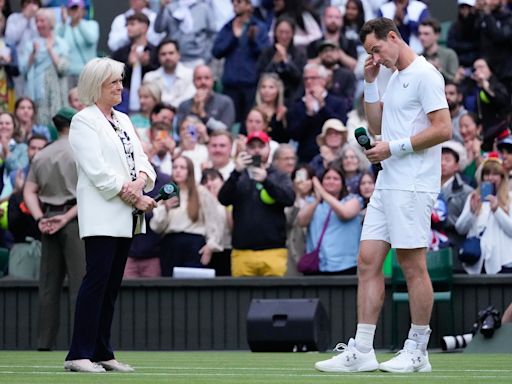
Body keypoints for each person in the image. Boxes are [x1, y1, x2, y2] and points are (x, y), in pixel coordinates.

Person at [315, 17, 451, 373]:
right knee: (367, 261)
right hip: (388, 182)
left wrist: (396, 147)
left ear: (393, 37)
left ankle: (418, 351)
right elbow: (377, 127)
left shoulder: (426, 75)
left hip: (413, 184)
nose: (375, 56)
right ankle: (362, 350)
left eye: (377, 48)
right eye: (369, 52)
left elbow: (443, 129)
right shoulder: (388, 74)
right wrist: (370, 82)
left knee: (411, 265)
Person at [63, 57, 158, 373]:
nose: (121, 86)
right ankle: (79, 353)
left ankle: (102, 351)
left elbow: (143, 160)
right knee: (96, 282)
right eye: (114, 82)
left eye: (120, 80)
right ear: (96, 86)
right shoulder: (83, 120)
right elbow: (97, 172)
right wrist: (136, 195)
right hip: (104, 214)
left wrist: (141, 182)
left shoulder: (125, 120)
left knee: (111, 285)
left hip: (127, 214)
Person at [23, 107, 85, 351]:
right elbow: (89, 193)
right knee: (80, 284)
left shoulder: (42, 154)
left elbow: (29, 190)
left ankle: (44, 342)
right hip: (74, 219)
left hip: (48, 219)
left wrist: (40, 218)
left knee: (49, 285)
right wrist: (66, 217)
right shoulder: (81, 153)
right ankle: (81, 342)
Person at [218, 130, 295, 277]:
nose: (257, 150)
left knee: (276, 298)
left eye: (261, 146)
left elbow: (289, 199)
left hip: (273, 250)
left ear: (269, 148)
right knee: (242, 299)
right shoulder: (239, 175)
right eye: (252, 146)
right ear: (246, 149)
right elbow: (223, 199)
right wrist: (235, 172)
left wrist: (266, 181)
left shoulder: (278, 175)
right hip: (242, 251)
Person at [150, 156, 223, 277]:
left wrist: (211, 246)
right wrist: (166, 208)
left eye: (182, 167)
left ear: (190, 171)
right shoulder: (166, 194)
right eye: (175, 167)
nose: (178, 170)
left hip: (194, 244)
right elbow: (157, 226)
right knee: (171, 289)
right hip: (171, 245)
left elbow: (214, 221)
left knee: (194, 288)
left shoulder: (201, 192)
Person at [298, 164, 363, 274]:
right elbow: (301, 221)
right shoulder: (313, 201)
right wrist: (317, 200)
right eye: (327, 178)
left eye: (336, 179)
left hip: (345, 265)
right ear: (322, 182)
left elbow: (345, 213)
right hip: (317, 265)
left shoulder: (353, 200)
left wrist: (322, 192)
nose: (331, 181)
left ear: (342, 183)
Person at [212, 0, 269, 124]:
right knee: (228, 122)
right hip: (230, 85)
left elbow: (265, 54)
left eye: (239, 2)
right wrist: (233, 37)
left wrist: (253, 41)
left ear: (249, 5)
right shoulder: (227, 27)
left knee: (249, 121)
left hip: (250, 85)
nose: (235, 5)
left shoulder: (259, 27)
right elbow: (216, 51)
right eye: (233, 2)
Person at [455, 155, 512, 274]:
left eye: (495, 174)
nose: (490, 178)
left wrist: (497, 210)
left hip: (503, 262)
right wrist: (471, 212)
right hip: (477, 260)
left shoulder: (510, 198)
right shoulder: (474, 197)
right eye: (487, 174)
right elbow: (460, 229)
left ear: (502, 177)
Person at [288, 63, 348, 163]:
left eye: (313, 78)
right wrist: (308, 114)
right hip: (306, 158)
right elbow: (294, 135)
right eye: (306, 78)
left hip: (335, 157)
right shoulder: (298, 105)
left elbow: (341, 125)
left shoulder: (338, 102)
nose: (309, 81)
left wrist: (322, 106)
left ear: (323, 80)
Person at [18, 8, 69, 126]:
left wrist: (50, 49)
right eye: (37, 21)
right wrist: (33, 55)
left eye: (42, 21)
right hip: (37, 94)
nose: (38, 24)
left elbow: (64, 69)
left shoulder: (60, 43)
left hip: (56, 95)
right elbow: (24, 70)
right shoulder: (30, 44)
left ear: (51, 22)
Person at [111, 12, 159, 114]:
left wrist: (147, 65)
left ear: (144, 27)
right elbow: (114, 78)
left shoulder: (156, 52)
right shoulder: (120, 53)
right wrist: (129, 64)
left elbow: (159, 77)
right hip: (123, 105)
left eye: (132, 24)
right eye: (127, 25)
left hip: (150, 109)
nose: (128, 28)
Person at [256, 16, 307, 103]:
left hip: (292, 98)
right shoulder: (266, 53)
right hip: (269, 99)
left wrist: (286, 61)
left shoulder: (300, 54)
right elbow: (261, 77)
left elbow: (299, 77)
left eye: (287, 32)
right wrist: (274, 62)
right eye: (281, 32)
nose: (284, 36)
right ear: (275, 33)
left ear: (292, 34)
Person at [154, 0, 216, 67]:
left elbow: (213, 34)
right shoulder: (170, 8)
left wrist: (206, 56)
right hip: (174, 61)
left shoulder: (204, 8)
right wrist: (162, 9)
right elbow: (158, 29)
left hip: (197, 60)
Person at [176, 64, 235, 133]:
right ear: (193, 82)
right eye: (199, 78)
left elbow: (225, 130)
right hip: (191, 142)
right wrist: (194, 110)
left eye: (207, 78)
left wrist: (203, 115)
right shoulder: (184, 105)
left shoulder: (226, 102)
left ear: (213, 81)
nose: (203, 82)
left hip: (216, 142)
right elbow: (179, 130)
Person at [56, 0, 99, 88]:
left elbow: (91, 39)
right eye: (72, 8)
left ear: (83, 10)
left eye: (77, 8)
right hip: (67, 74)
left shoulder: (92, 24)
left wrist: (78, 21)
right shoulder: (62, 27)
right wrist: (64, 23)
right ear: (67, 10)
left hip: (87, 74)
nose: (75, 11)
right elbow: (57, 41)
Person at [143, 38, 195, 108]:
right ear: (158, 57)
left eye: (171, 53)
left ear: (178, 55)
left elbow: (189, 98)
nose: (167, 57)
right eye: (163, 54)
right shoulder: (149, 77)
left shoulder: (191, 74)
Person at [418, 18, 459, 83]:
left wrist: (439, 70)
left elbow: (454, 81)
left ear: (437, 35)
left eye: (426, 34)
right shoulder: (417, 57)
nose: (421, 37)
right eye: (420, 34)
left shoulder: (449, 54)